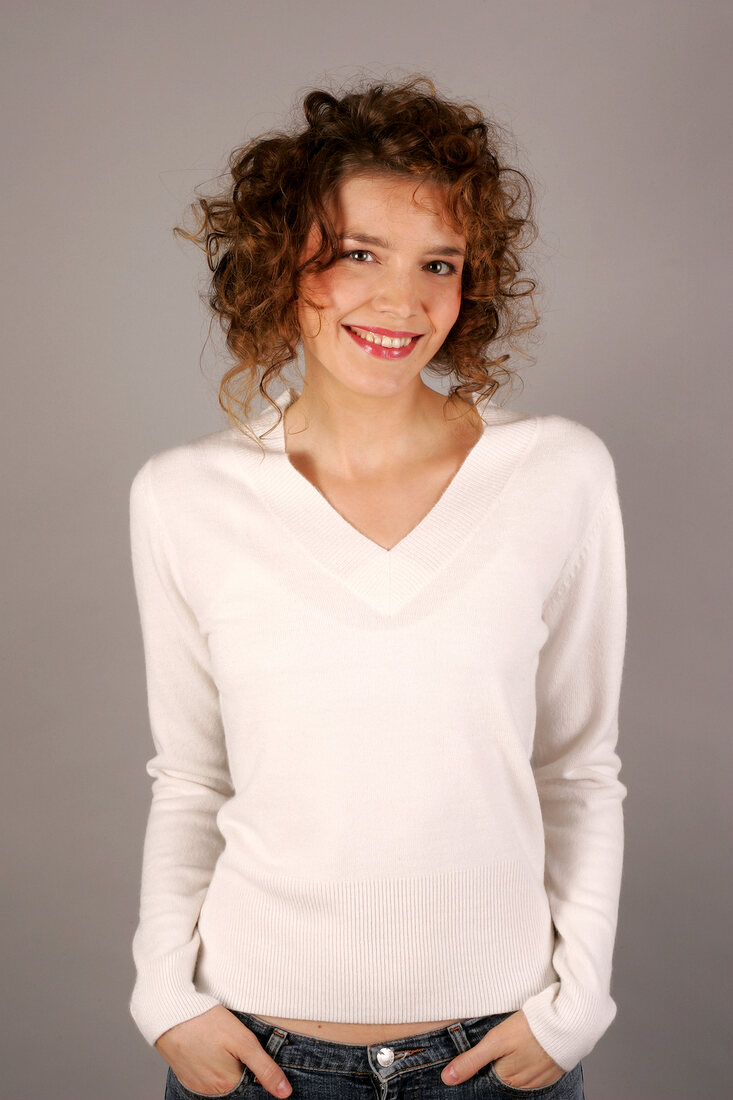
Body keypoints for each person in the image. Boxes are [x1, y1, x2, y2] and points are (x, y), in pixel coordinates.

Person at [128, 74, 627, 1100]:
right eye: (359, 253)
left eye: (437, 263)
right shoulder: (183, 496)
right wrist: (163, 997)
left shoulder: (558, 474)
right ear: (280, 262)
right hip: (259, 1059)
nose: (402, 301)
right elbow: (191, 776)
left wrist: (574, 1005)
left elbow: (576, 767)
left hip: (495, 1059)